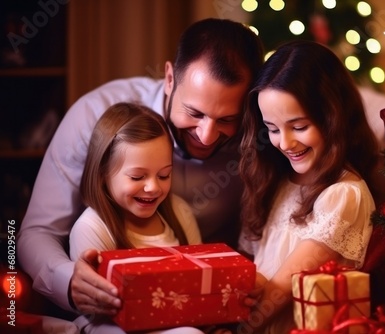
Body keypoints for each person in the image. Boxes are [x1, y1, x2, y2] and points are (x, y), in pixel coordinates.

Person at [17, 18, 264, 318]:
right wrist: (69, 279)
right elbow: (37, 232)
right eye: (194, 113)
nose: (207, 136)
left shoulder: (260, 138)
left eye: (227, 120)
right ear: (170, 78)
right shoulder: (94, 116)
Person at [237, 40, 378, 333]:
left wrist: (235, 328)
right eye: (273, 129)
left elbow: (282, 289)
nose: (285, 143)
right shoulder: (276, 181)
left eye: (299, 126)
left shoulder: (344, 195)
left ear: (333, 117)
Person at [69, 102, 203, 334]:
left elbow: (201, 282)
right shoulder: (92, 227)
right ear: (102, 174)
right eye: (137, 176)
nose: (152, 187)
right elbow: (98, 311)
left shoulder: (180, 213)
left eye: (164, 175)